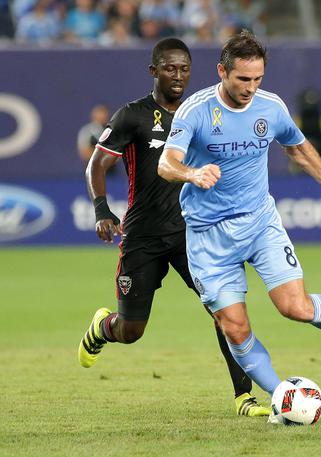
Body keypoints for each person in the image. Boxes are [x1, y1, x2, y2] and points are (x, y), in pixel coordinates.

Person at [157, 31, 321, 404]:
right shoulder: (197, 110)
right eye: (243, 79)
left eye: (257, 79)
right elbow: (166, 162)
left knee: (296, 307)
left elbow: (297, 146)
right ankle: (284, 397)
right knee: (234, 328)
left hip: (259, 222)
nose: (251, 88)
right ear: (222, 71)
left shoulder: (270, 107)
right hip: (209, 235)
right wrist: (192, 173)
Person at [77, 37, 269, 418]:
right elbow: (96, 165)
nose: (178, 76)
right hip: (143, 234)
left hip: (194, 233)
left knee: (225, 311)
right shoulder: (132, 115)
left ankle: (244, 397)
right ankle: (102, 329)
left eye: (184, 69)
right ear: (154, 71)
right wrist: (102, 208)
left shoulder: (203, 112)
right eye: (169, 68)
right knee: (132, 330)